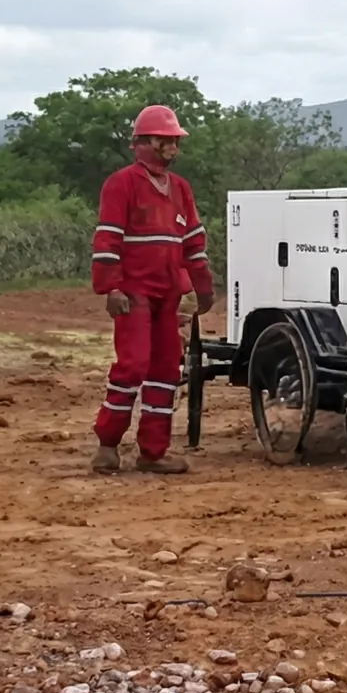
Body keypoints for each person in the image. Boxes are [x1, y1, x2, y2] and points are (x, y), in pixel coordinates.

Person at [88, 105, 214, 475]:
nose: (173, 148)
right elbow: (107, 238)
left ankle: (153, 452)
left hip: (168, 294)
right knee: (133, 365)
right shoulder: (121, 183)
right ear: (143, 143)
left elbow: (193, 241)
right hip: (133, 292)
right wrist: (111, 287)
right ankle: (108, 444)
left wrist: (203, 287)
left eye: (175, 141)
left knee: (164, 370)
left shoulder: (180, 189)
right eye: (166, 141)